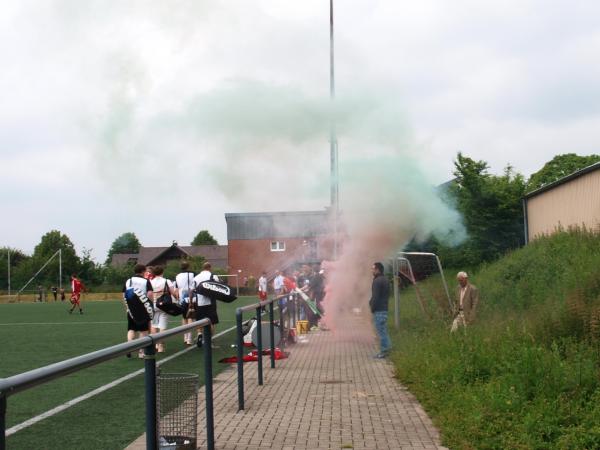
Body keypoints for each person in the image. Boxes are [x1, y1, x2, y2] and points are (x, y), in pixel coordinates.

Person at [123, 264, 154, 358]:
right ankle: (141, 352)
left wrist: (127, 307)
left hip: (131, 308)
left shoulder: (128, 281)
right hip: (142, 309)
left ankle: (129, 346)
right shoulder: (146, 281)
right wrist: (150, 306)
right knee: (143, 330)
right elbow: (150, 294)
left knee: (131, 328)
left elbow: (124, 294)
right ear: (143, 271)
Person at [150, 266, 177, 353]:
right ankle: (161, 346)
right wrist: (177, 297)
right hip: (164, 305)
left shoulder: (150, 281)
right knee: (162, 326)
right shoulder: (167, 281)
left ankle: (155, 344)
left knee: (154, 325)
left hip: (153, 304)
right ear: (162, 272)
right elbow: (173, 292)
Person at [192, 262, 219, 347]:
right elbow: (218, 287)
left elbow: (192, 290)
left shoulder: (196, 277)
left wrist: (190, 302)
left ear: (202, 268)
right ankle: (209, 341)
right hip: (210, 302)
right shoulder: (213, 276)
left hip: (199, 302)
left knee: (200, 321)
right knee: (211, 322)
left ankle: (199, 334)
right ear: (210, 267)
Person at [369, 262, 391, 359]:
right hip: (384, 309)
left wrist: (372, 308)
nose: (372, 270)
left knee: (381, 332)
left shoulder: (377, 281)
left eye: (373, 268)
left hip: (379, 310)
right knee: (383, 330)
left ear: (377, 269)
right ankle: (388, 348)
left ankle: (384, 352)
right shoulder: (385, 279)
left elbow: (375, 297)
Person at [175, 261, 196, 345]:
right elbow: (195, 286)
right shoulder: (192, 274)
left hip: (181, 298)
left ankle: (185, 337)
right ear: (188, 266)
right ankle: (189, 338)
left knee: (184, 318)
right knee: (190, 317)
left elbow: (176, 289)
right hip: (191, 298)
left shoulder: (177, 276)